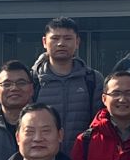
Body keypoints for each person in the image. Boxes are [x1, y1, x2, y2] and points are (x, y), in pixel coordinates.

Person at [33, 15, 103, 148]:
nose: (61, 43)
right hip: (42, 154)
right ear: (44, 42)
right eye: (55, 38)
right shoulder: (33, 79)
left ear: (77, 42)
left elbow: (99, 122)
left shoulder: (92, 79)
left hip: (82, 155)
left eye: (68, 38)